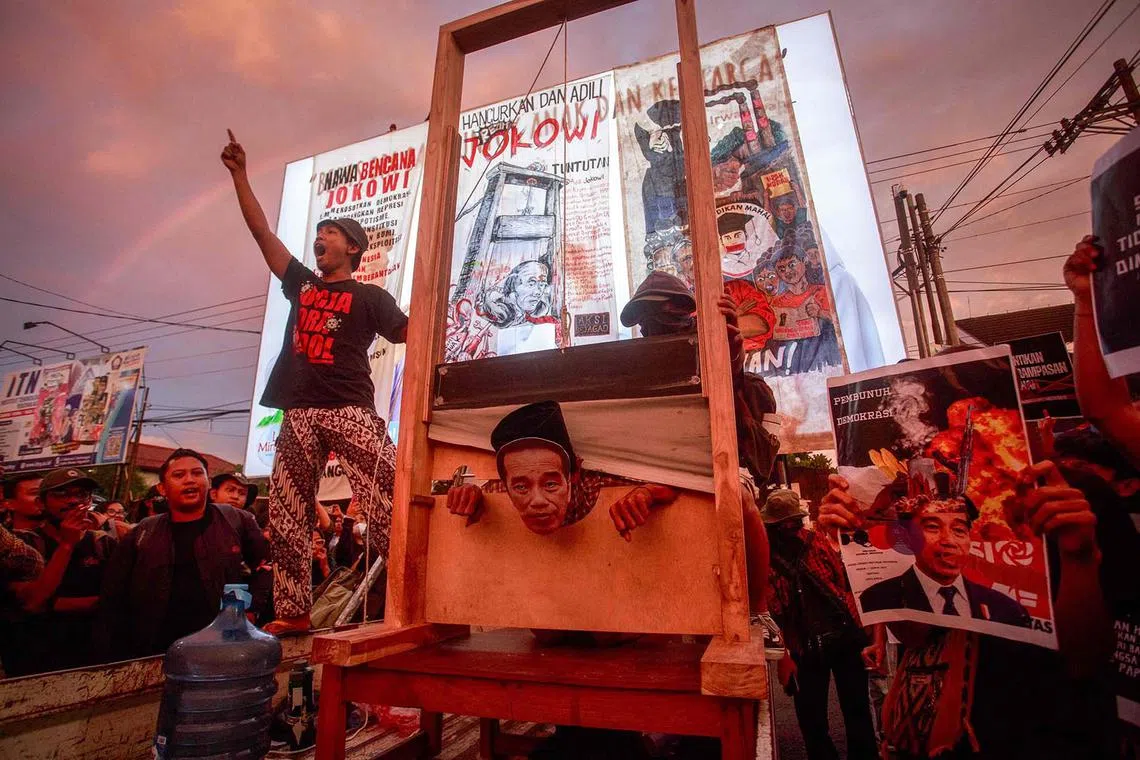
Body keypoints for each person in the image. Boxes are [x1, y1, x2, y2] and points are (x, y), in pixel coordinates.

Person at [223, 130, 407, 635]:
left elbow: (410, 331)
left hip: (349, 407)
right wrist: (241, 176)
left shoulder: (370, 297)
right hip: (299, 409)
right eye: (317, 233)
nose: (319, 239)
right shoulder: (302, 285)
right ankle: (294, 610)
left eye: (328, 232)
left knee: (394, 488)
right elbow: (263, 234)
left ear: (352, 247)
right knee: (286, 509)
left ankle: (416, 590)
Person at [820, 457, 1121, 759]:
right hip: (952, 736)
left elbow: (1087, 658)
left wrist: (1078, 559)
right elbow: (916, 635)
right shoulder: (942, 504)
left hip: (1054, 734)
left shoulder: (1075, 496)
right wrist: (858, 543)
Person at [98, 449, 271, 659]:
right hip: (154, 649)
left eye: (197, 473)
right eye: (179, 475)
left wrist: (250, 611)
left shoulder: (237, 521)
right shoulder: (143, 532)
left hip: (220, 647)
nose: (190, 480)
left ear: (208, 483)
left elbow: (266, 565)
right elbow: (113, 593)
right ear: (162, 488)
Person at [763, 488, 879, 760]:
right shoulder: (792, 548)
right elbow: (770, 611)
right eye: (785, 524)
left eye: (789, 523)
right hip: (823, 641)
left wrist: (784, 654)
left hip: (825, 641)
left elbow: (775, 607)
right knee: (833, 714)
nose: (788, 528)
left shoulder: (794, 547)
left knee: (835, 713)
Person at [446, 401, 676, 538]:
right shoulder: (497, 491)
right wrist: (472, 496)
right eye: (520, 487)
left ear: (573, 475)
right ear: (506, 486)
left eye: (550, 484)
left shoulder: (600, 483)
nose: (537, 500)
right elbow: (482, 489)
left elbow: (678, 482)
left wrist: (647, 493)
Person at [857, 486, 1030, 626]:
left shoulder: (1007, 609)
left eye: (959, 530)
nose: (949, 540)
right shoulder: (878, 599)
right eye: (933, 527)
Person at [4, 468, 116, 676]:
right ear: (41, 503)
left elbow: (119, 597)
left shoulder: (103, 543)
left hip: (91, 660)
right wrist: (66, 545)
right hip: (34, 661)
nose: (73, 501)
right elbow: (33, 602)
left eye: (81, 494)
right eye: (61, 494)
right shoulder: (21, 544)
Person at [480, 260, 556, 329]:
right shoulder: (491, 314)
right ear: (513, 284)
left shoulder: (536, 314)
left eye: (542, 285)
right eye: (531, 284)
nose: (538, 292)